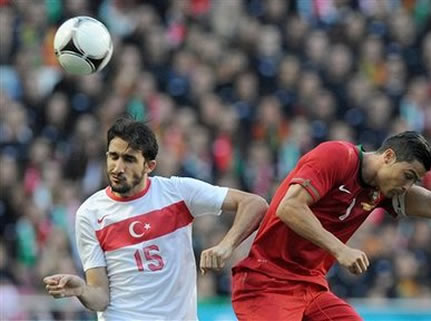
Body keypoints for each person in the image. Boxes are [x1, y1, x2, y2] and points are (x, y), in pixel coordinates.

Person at [231, 106, 431, 320]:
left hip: (310, 286)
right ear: (389, 156)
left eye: (414, 181)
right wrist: (340, 249)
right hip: (266, 282)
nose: (407, 186)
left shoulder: (383, 190)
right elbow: (289, 207)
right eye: (408, 176)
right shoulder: (337, 156)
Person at [43, 117, 268, 321]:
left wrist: (226, 245)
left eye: (129, 159)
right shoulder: (90, 213)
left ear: (149, 166)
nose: (118, 168)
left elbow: (255, 204)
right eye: (113, 156)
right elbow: (100, 296)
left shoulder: (178, 193)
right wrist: (82, 290)